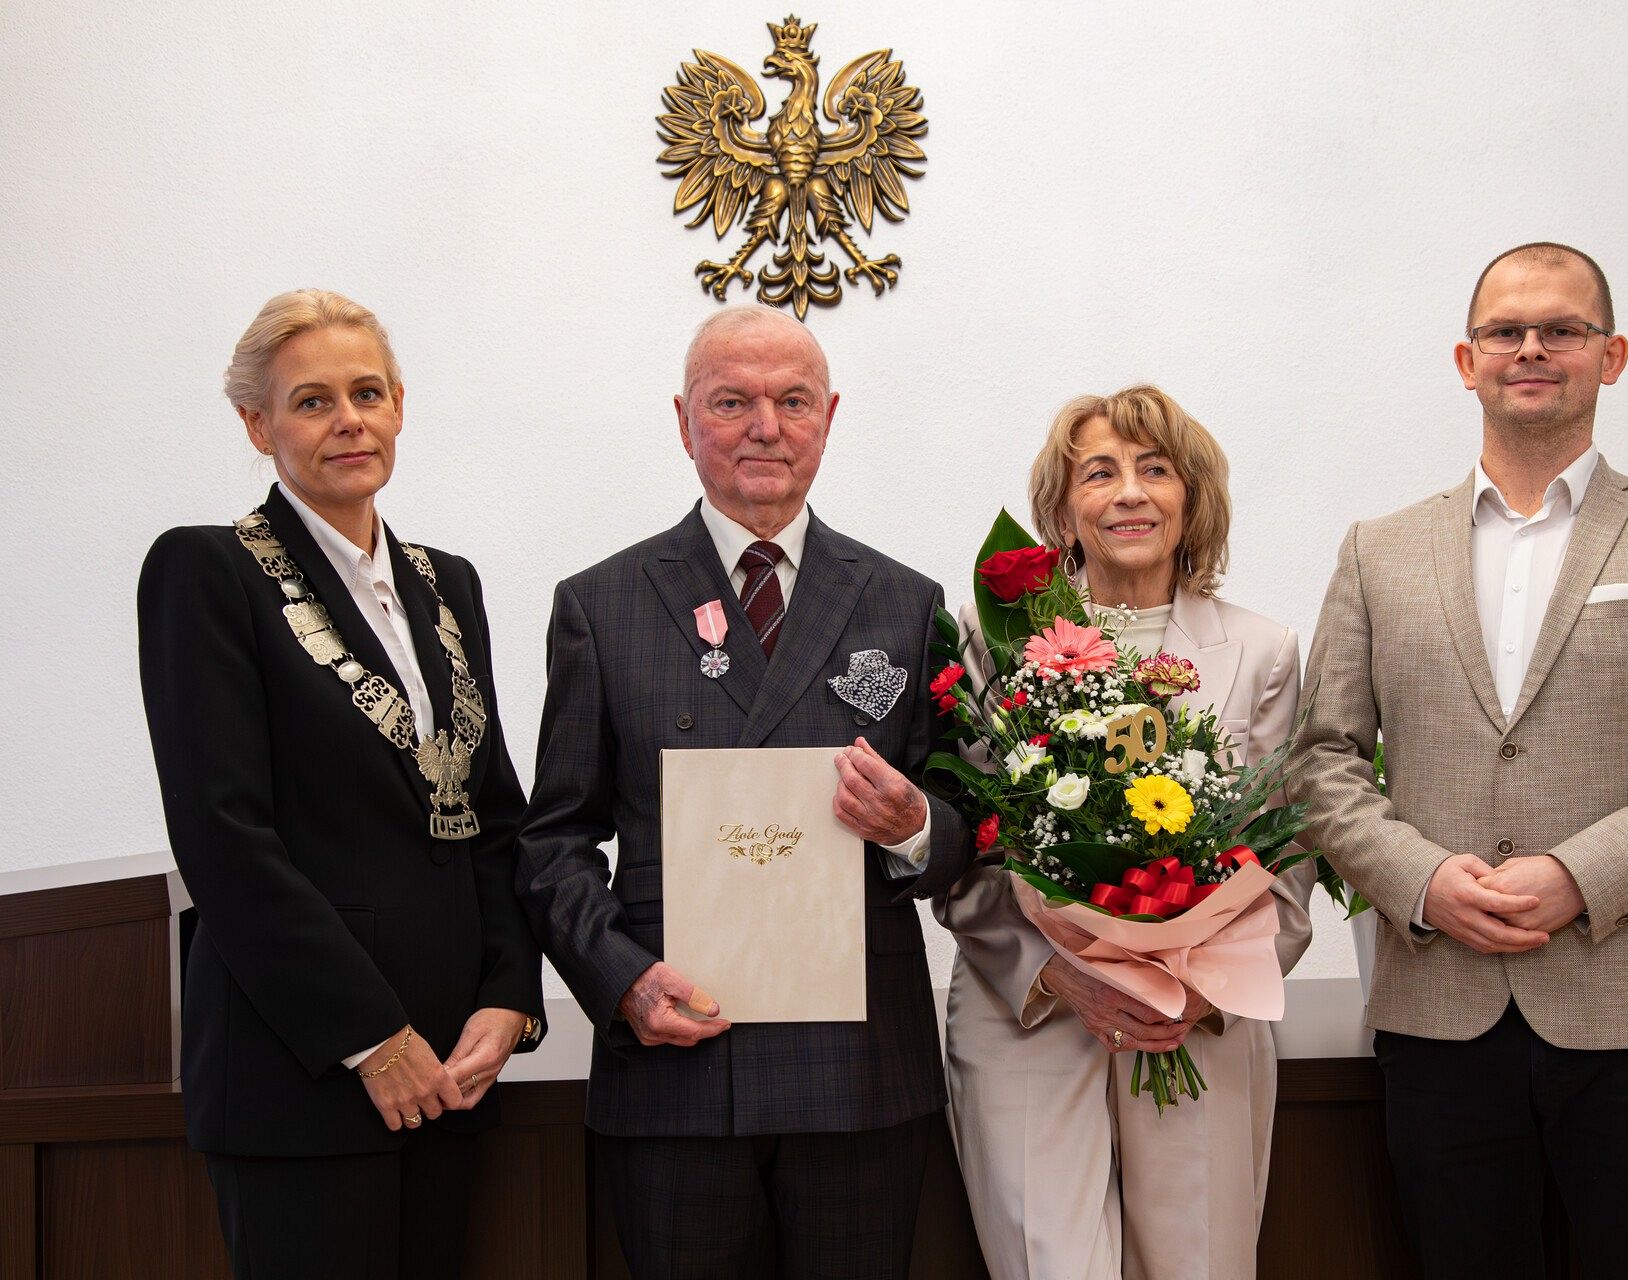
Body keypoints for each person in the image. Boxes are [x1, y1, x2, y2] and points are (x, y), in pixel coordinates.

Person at [1292, 243, 1628, 1280]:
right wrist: (1419, 877)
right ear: (1464, 360)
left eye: (1560, 329)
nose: (1531, 347)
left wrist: (1578, 876)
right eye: (1505, 330)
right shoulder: (1376, 550)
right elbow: (1322, 761)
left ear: (1610, 356)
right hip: (1438, 1011)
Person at [515, 305, 972, 1280]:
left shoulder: (908, 601)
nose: (765, 424)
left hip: (860, 1079)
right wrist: (621, 979)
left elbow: (969, 821)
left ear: (829, 417)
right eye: (733, 400)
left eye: (792, 399)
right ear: (684, 420)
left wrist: (917, 823)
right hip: (675, 1066)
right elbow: (552, 840)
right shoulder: (603, 604)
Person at [137, 289, 546, 1280]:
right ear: (258, 423)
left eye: (367, 391)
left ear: (400, 402)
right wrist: (371, 1036)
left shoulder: (448, 582)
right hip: (305, 1073)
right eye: (311, 400)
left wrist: (508, 994)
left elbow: (490, 812)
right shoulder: (206, 571)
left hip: (452, 1066)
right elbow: (225, 837)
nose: (348, 419)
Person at [935, 385, 1315, 1280]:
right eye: (1099, 473)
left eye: (1155, 470)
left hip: (1197, 1023)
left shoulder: (1263, 651)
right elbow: (966, 844)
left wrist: (1200, 990)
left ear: (1194, 499)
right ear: (1062, 509)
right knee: (1048, 1264)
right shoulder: (996, 642)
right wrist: (1065, 972)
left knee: (1199, 1264)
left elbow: (1283, 851)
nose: (1130, 492)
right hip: (1029, 1010)